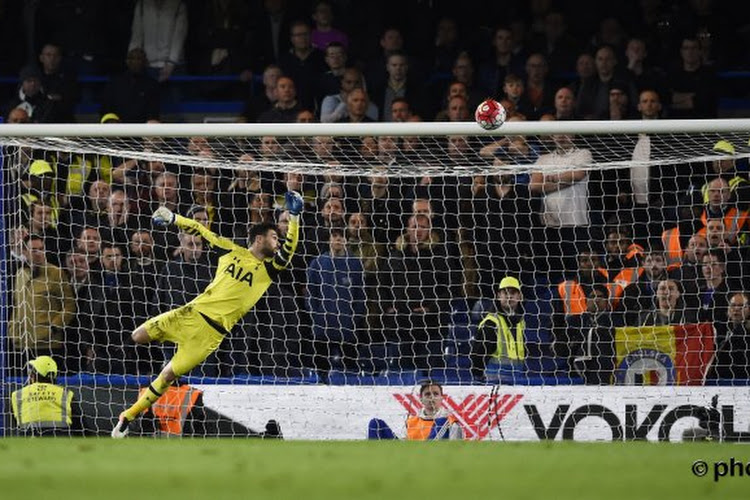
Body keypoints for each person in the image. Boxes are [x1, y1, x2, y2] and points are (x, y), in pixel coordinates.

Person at [111, 191, 303, 438]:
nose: (278, 242)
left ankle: (127, 416)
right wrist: (174, 219)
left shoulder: (269, 269)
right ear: (258, 238)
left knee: (169, 374)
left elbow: (290, 248)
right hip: (190, 313)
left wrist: (295, 217)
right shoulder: (230, 250)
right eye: (274, 237)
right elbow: (202, 231)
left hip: (210, 335)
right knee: (137, 336)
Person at [138, 378, 282, 438]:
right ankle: (266, 438)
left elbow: (138, 427)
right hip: (185, 442)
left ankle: (265, 437)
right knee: (209, 429)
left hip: (153, 441)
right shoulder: (190, 393)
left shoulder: (145, 391)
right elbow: (199, 425)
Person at [10, 356, 87, 436]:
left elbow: (17, 423)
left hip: (28, 442)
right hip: (60, 441)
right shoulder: (65, 394)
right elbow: (81, 426)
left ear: (33, 375)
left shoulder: (17, 395)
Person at [471, 277, 527, 381]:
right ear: (498, 296)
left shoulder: (521, 322)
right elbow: (477, 357)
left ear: (519, 296)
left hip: (518, 381)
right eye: (505, 292)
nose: (509, 296)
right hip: (493, 384)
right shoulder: (491, 323)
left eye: (513, 292)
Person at [367, 380, 463, 440]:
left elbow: (456, 451)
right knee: (375, 423)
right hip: (408, 457)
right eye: (427, 394)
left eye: (436, 394)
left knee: (443, 422)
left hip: (432, 459)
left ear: (442, 398)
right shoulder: (412, 421)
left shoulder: (451, 423)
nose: (432, 397)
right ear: (421, 399)